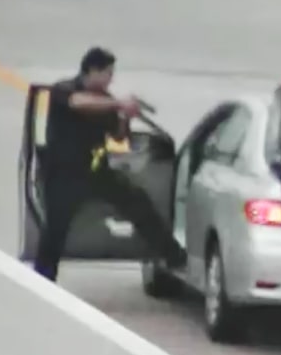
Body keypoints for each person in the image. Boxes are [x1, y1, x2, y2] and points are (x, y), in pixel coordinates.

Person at [34, 46, 186, 282]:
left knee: (138, 201)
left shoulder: (107, 101)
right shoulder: (64, 89)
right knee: (55, 230)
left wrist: (126, 117)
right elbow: (78, 103)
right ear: (92, 71)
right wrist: (118, 105)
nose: (110, 79)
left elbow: (118, 137)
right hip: (63, 174)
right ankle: (42, 280)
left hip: (95, 171)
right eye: (107, 73)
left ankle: (173, 256)